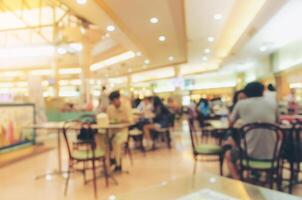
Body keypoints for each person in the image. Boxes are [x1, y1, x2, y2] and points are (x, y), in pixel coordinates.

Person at [224, 81, 278, 179]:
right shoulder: (273, 103)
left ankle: (238, 180)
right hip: (272, 153)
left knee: (229, 155)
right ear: (262, 91)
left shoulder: (241, 104)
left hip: (248, 154)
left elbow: (230, 123)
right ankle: (266, 176)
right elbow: (278, 122)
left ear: (246, 92)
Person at [104, 91, 133, 172]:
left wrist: (120, 120)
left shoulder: (126, 107)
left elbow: (130, 120)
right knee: (102, 140)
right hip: (111, 131)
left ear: (118, 99)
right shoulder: (110, 108)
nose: (114, 103)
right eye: (112, 101)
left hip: (123, 131)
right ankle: (108, 160)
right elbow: (108, 120)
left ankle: (117, 164)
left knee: (116, 141)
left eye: (115, 100)